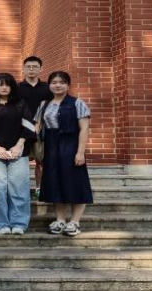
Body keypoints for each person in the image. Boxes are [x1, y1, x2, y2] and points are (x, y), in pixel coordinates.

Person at [0, 73, 36, 235]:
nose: (4, 87)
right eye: (0, 84)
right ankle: (0, 224)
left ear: (12, 87)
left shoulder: (21, 104)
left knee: (19, 189)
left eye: (7, 84)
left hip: (18, 152)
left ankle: (19, 223)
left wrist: (18, 146)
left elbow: (28, 127)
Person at [37, 71, 93, 237]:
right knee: (55, 183)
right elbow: (37, 127)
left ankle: (75, 222)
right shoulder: (44, 105)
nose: (58, 85)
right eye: (54, 82)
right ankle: (60, 220)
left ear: (68, 85)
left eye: (62, 82)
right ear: (49, 85)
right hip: (51, 147)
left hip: (71, 146)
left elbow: (84, 129)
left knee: (76, 183)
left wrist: (80, 152)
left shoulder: (77, 103)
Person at [18, 56, 53, 199]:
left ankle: (40, 189)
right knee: (21, 161)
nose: (31, 69)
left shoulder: (47, 88)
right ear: (23, 69)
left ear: (41, 69)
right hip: (21, 130)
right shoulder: (17, 88)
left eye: (35, 66)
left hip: (42, 130)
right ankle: (22, 190)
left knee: (41, 161)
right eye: (28, 66)